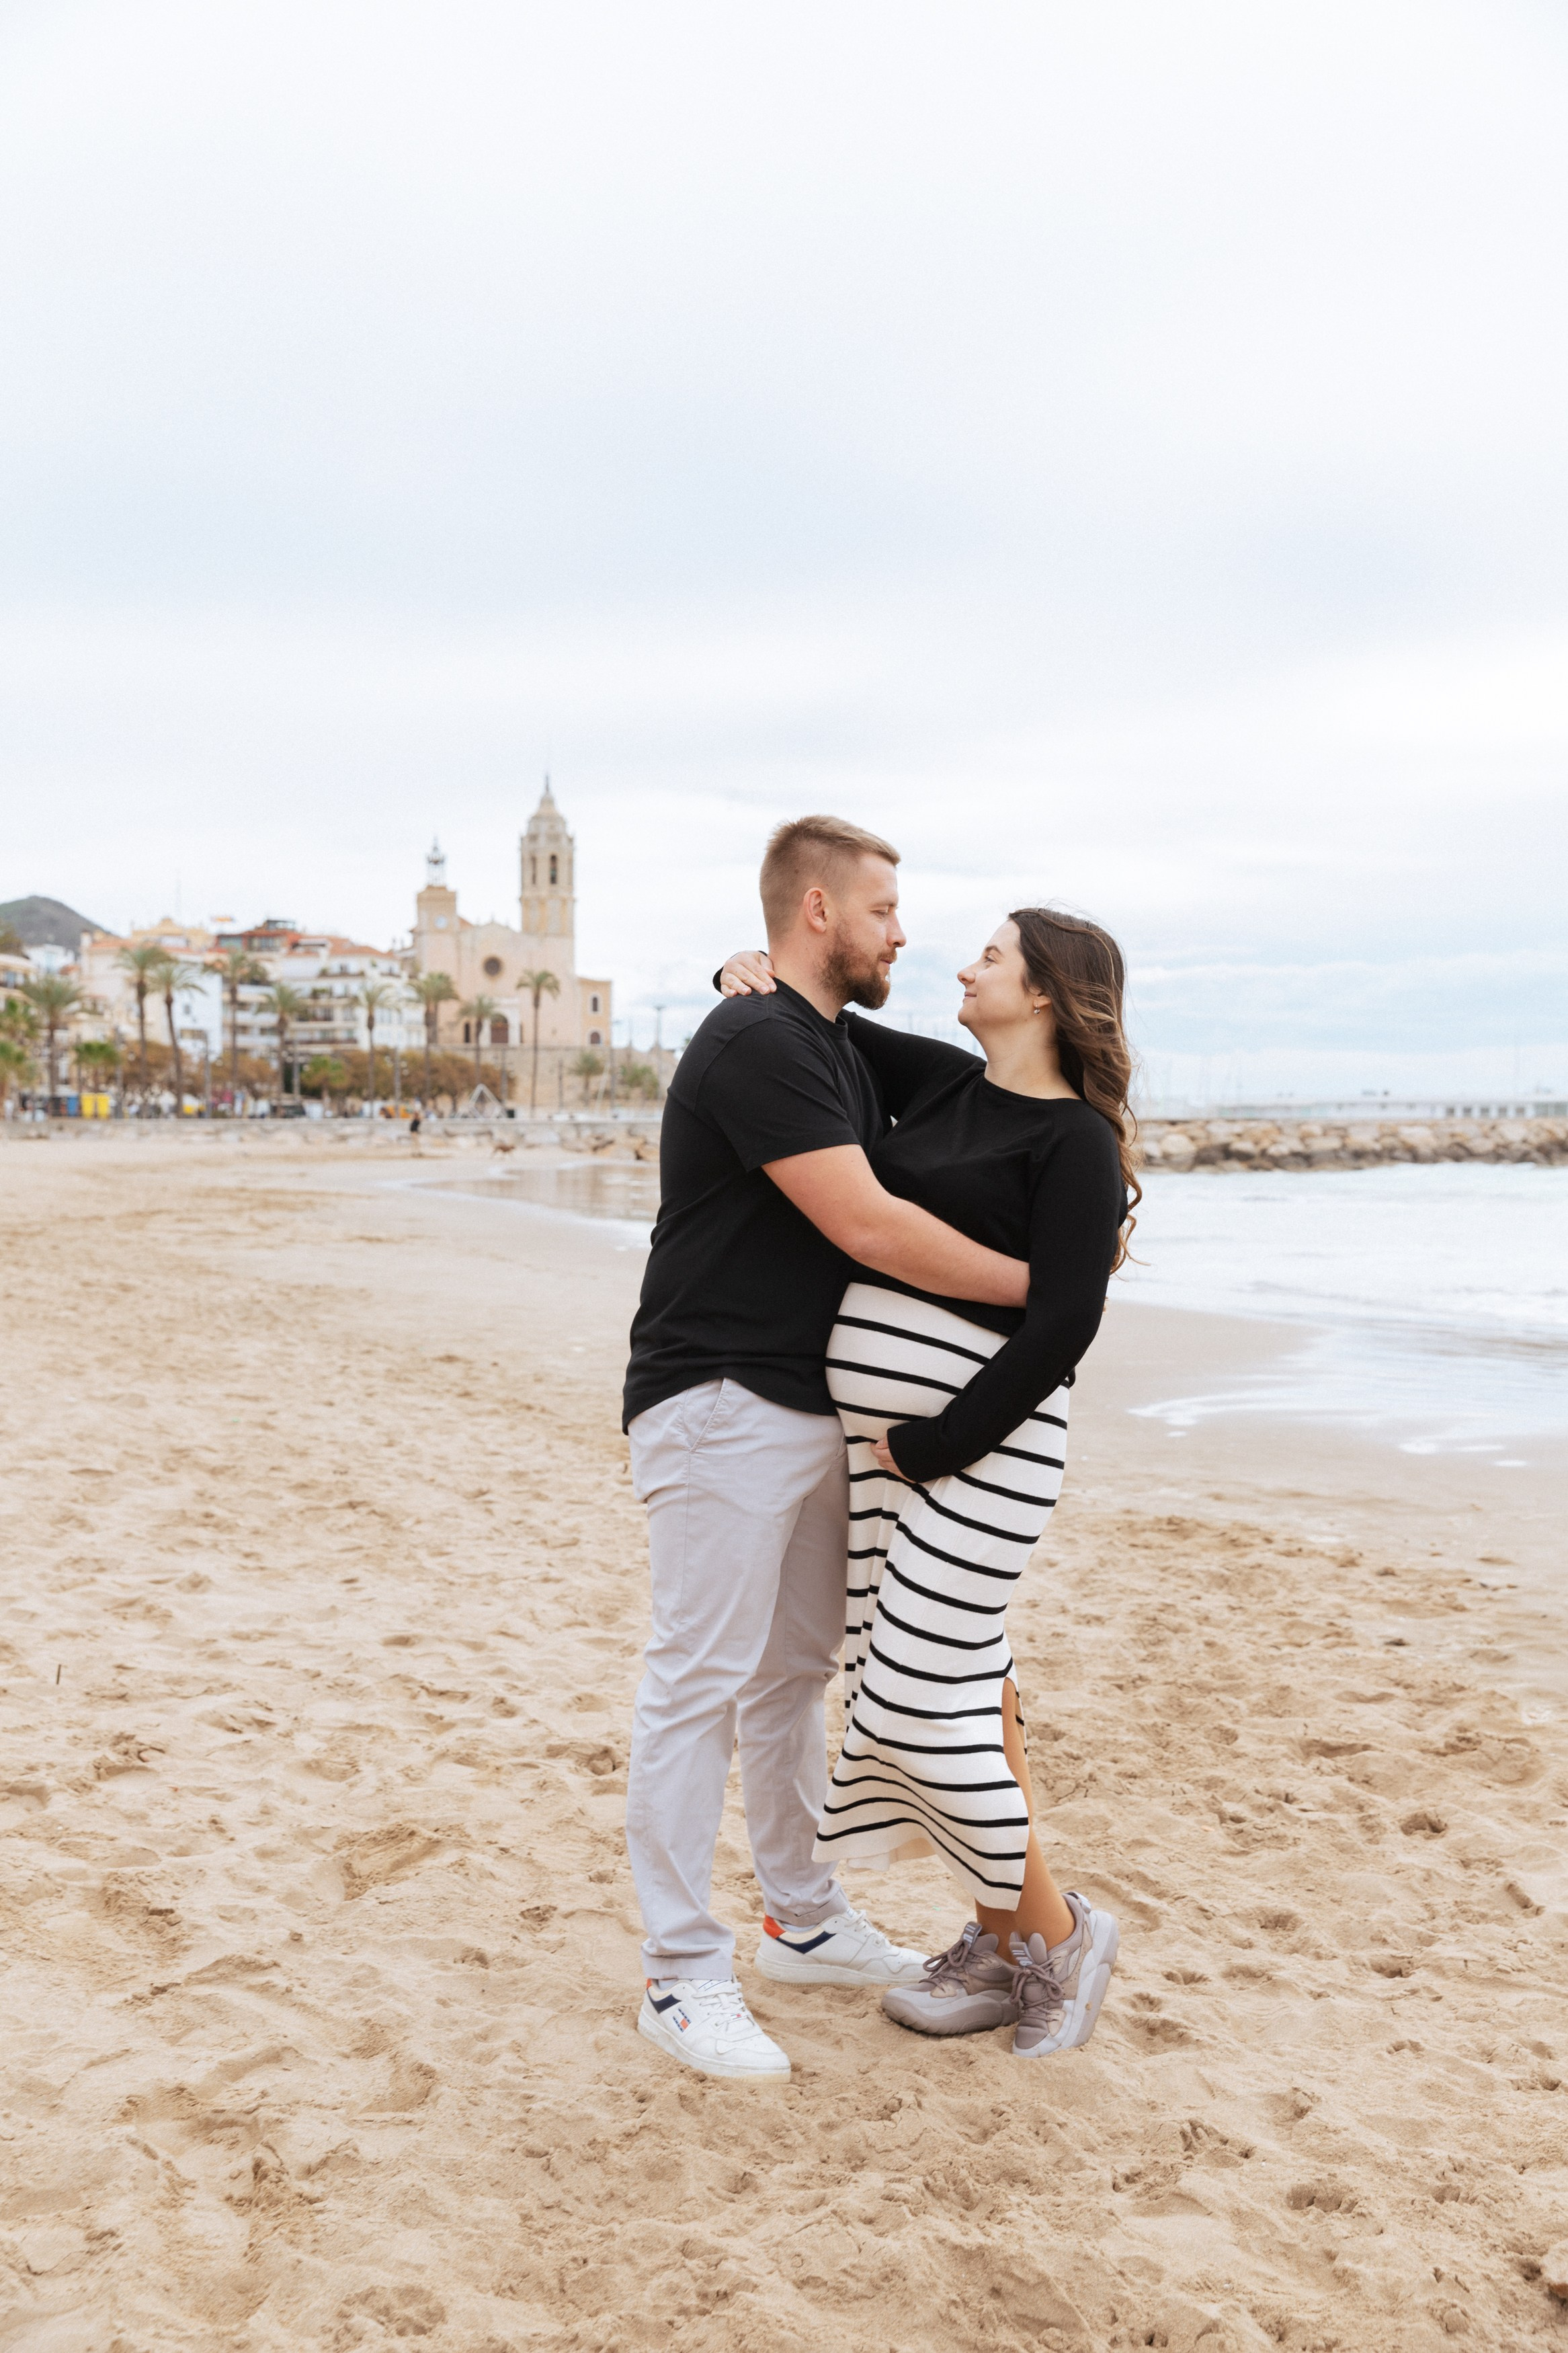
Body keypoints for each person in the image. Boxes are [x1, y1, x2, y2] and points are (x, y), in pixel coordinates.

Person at [623, 816, 1034, 2083]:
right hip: (719, 1394)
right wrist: (1048, 1294)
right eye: (883, 910)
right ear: (817, 911)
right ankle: (679, 1974)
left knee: (791, 1673)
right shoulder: (757, 1040)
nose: (902, 935)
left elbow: (998, 1098)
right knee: (698, 1680)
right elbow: (869, 1227)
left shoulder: (836, 1043)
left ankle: (800, 1921)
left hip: (808, 1406)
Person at [716, 904, 1137, 2059]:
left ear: (1043, 991)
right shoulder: (947, 1085)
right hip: (890, 1463)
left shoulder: (1075, 1143)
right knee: (959, 1690)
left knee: (911, 1702)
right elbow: (816, 1018)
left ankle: (1056, 1936)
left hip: (984, 1458)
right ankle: (1000, 1949)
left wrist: (944, 1442)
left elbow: (1065, 1324)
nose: (962, 967)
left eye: (990, 957)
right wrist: (738, 967)